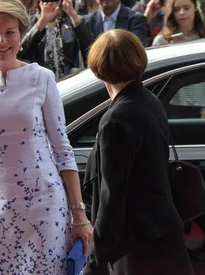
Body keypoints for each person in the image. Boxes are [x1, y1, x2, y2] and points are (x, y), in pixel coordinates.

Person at [0, 0, 92, 274]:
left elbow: (62, 150)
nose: (2, 41)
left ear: (22, 33)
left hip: (44, 208)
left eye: (10, 33)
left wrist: (80, 214)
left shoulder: (42, 78)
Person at [83, 29, 194, 275]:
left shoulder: (117, 119)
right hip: (164, 236)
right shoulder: (149, 101)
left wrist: (95, 263)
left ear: (100, 67)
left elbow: (112, 201)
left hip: (138, 248)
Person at [20, 0, 92, 79]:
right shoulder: (30, 21)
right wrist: (42, 22)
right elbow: (20, 51)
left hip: (68, 81)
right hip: (37, 81)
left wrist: (72, 13)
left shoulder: (72, 21)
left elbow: (90, 50)